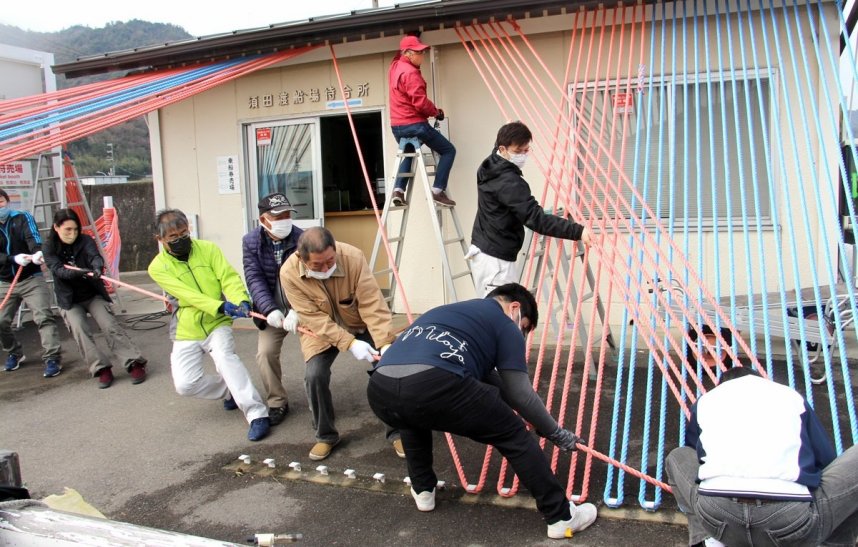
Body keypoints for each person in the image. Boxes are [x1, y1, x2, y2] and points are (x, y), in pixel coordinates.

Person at [366, 283, 598, 539]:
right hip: (436, 383)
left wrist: (535, 420)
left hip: (380, 388)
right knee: (515, 436)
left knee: (411, 415)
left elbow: (497, 385)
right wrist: (555, 432)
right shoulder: (504, 323)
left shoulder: (449, 313)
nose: (520, 333)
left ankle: (423, 490)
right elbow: (519, 392)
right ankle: (561, 517)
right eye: (524, 327)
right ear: (515, 308)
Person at [666, 366, 858, 547]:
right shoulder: (790, 396)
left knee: (678, 456)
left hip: (717, 518)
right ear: (762, 381)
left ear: (721, 386)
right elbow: (825, 459)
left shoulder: (706, 400)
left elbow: (696, 459)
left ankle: (709, 539)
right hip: (790, 521)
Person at [148, 208, 270, 442]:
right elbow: (188, 296)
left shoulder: (208, 249)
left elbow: (228, 277)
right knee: (185, 384)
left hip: (217, 324)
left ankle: (257, 414)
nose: (181, 239)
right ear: (160, 239)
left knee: (226, 360)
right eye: (173, 237)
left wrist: (240, 299)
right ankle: (229, 391)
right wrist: (220, 305)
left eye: (184, 232)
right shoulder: (157, 267)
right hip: (186, 328)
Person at [281, 226, 400, 461]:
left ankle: (398, 431)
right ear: (302, 259)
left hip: (358, 322)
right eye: (317, 265)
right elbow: (313, 318)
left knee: (388, 368)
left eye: (330, 261)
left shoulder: (353, 257)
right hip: (320, 330)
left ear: (335, 250)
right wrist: (350, 344)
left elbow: (371, 303)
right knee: (314, 375)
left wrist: (385, 342)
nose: (326, 268)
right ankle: (325, 436)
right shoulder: (288, 273)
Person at [469, 121, 594, 297]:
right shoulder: (508, 182)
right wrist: (578, 231)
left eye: (526, 150)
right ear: (503, 149)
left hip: (489, 250)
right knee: (497, 316)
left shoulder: (491, 164)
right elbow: (536, 219)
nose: (523, 155)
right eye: (518, 152)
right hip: (495, 260)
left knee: (502, 312)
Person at [43, 208, 147, 388]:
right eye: (68, 229)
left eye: (75, 229)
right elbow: (57, 269)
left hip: (92, 294)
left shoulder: (85, 240)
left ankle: (133, 362)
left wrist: (97, 268)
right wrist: (79, 273)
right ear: (56, 228)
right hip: (69, 300)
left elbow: (95, 257)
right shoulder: (49, 247)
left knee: (109, 325)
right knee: (79, 330)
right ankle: (101, 368)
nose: (72, 234)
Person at [242, 192, 304, 426]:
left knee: (315, 353)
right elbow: (254, 278)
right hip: (272, 310)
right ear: (263, 220)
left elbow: (309, 280)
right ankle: (277, 401)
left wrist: (297, 310)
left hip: (302, 308)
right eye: (278, 216)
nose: (284, 220)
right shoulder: (251, 242)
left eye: (287, 214)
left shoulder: (302, 238)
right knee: (265, 354)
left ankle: (319, 399)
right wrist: (269, 310)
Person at [388, 34, 456, 207]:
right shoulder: (411, 73)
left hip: (397, 126)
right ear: (409, 53)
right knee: (448, 150)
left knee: (409, 153)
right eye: (419, 52)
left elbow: (398, 54)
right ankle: (437, 191)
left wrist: (412, 36)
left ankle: (398, 191)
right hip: (415, 125)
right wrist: (437, 112)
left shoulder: (395, 66)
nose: (422, 56)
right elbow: (420, 103)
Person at [0, 189, 62, 377]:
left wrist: (37, 252)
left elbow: (33, 237)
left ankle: (53, 358)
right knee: (1, 321)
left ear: (7, 201)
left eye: (1, 201)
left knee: (43, 317)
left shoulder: (22, 217)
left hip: (31, 278)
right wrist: (12, 259)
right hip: (4, 281)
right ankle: (14, 353)